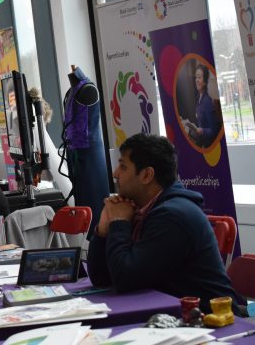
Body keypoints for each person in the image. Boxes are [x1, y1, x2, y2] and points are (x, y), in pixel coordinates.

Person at [87, 133, 244, 314]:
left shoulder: (173, 216)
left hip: (211, 324)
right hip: (174, 316)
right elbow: (101, 278)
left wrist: (120, 222)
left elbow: (125, 280)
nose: (115, 173)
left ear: (147, 174)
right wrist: (104, 230)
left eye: (123, 167)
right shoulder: (145, 209)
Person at [191, 64, 220, 148]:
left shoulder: (207, 101)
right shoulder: (198, 98)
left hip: (208, 146)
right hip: (202, 142)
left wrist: (202, 131)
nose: (197, 80)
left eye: (199, 77)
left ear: (205, 80)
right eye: (196, 77)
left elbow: (214, 130)